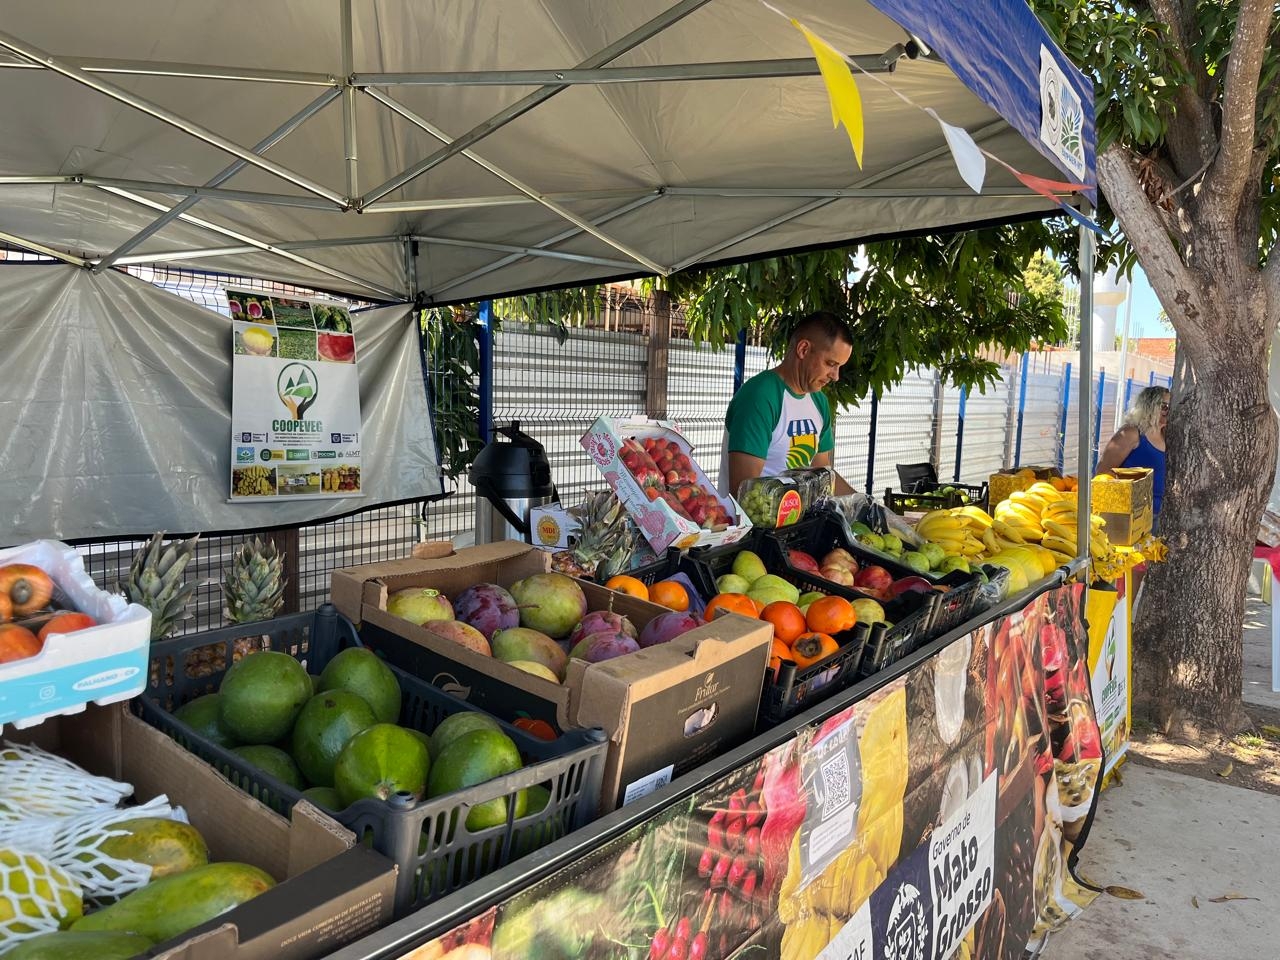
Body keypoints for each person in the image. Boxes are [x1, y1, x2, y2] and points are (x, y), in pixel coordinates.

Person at [719, 311, 857, 498]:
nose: (835, 376)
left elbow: (825, 479)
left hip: (799, 522)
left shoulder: (819, 402)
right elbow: (745, 493)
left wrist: (870, 509)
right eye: (830, 363)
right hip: (755, 526)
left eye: (839, 367)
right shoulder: (760, 396)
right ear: (803, 349)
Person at [1095, 385, 1169, 519]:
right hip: (1132, 515)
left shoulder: (1167, 435)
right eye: (1164, 406)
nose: (1168, 411)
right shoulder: (1131, 433)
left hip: (1161, 515)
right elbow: (1102, 472)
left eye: (1171, 407)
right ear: (1149, 405)